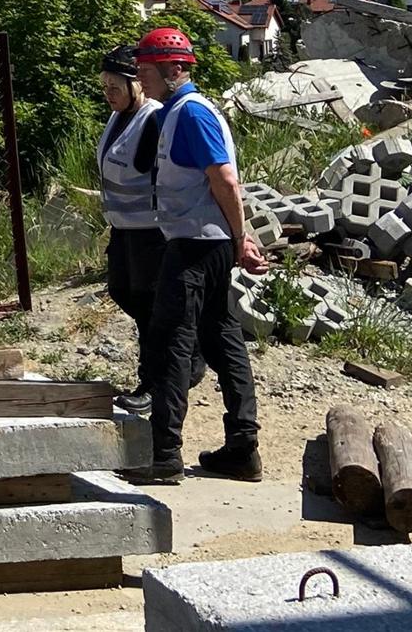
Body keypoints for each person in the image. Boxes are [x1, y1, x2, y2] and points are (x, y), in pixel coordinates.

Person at [131, 27, 269, 485]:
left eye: (146, 69)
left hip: (195, 246)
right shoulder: (175, 111)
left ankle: (164, 455)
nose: (140, 78)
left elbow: (224, 179)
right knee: (221, 339)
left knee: (170, 343)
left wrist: (240, 238)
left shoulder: (191, 112)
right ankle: (241, 449)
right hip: (202, 242)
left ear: (174, 69)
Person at [94, 46, 204, 416]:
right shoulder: (120, 117)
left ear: (136, 85)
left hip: (151, 233)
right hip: (125, 230)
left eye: (115, 86)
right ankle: (185, 358)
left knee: (151, 310)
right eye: (104, 86)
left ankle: (155, 382)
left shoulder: (154, 119)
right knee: (124, 292)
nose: (108, 93)